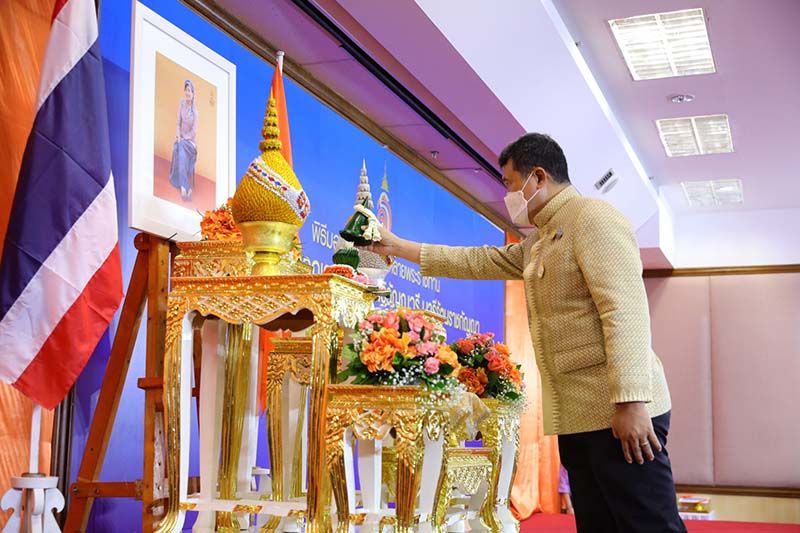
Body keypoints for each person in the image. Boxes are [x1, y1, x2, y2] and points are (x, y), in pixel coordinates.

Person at [366, 133, 686, 532]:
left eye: (510, 183)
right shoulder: (541, 241)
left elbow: (625, 311)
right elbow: (477, 261)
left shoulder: (593, 218)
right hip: (578, 417)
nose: (508, 196)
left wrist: (632, 401)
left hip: (620, 411)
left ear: (538, 177)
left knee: (649, 526)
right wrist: (397, 246)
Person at [169, 79, 198, 201]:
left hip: (190, 143)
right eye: (186, 90)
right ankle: (185, 187)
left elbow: (194, 132)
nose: (187, 93)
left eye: (189, 91)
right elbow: (178, 123)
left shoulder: (195, 113)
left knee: (180, 147)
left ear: (193, 94)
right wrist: (178, 136)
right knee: (178, 147)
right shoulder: (181, 104)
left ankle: (183, 187)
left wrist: (184, 138)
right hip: (181, 139)